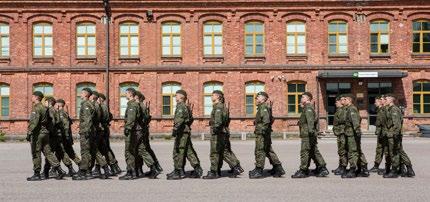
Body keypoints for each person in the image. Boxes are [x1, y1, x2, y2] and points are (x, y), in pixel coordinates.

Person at [203, 90, 243, 179]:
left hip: (218, 133)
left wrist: (214, 128)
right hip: (223, 132)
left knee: (215, 152)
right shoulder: (222, 106)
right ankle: (234, 167)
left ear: (218, 97)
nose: (211, 97)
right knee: (224, 151)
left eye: (213, 95)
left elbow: (218, 122)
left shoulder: (218, 107)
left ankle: (214, 172)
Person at [26, 91, 65, 181]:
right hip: (45, 133)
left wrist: (29, 132)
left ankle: (37, 174)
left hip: (38, 134)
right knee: (48, 152)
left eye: (32, 96)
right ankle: (59, 170)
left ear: (36, 97)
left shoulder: (37, 108)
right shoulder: (45, 108)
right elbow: (50, 120)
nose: (31, 98)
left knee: (36, 152)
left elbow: (34, 122)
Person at [73, 88, 109, 180]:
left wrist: (85, 131)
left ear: (86, 94)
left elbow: (88, 120)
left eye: (81, 93)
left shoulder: (86, 105)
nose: (80, 94)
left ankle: (83, 172)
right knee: (94, 151)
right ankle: (105, 168)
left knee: (85, 151)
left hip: (87, 131)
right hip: (91, 131)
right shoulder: (90, 104)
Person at [167, 90, 203, 180]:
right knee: (188, 151)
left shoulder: (181, 106)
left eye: (176, 96)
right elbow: (190, 119)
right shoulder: (185, 106)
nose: (175, 97)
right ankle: (197, 169)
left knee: (179, 151)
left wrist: (175, 129)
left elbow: (180, 119)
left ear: (181, 96)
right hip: (184, 131)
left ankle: (179, 171)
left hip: (181, 131)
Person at [291, 92, 329, 178]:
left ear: (308, 99)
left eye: (303, 97)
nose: (301, 99)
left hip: (308, 134)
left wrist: (312, 132)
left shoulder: (308, 108)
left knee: (305, 152)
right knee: (313, 152)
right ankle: (322, 168)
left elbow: (310, 122)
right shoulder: (307, 108)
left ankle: (303, 170)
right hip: (308, 133)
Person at [249, 91, 285, 179]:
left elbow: (266, 121)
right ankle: (278, 168)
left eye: (258, 97)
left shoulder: (264, 107)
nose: (256, 98)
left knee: (260, 151)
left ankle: (259, 170)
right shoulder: (263, 107)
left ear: (263, 98)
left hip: (262, 134)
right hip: (264, 133)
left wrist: (262, 131)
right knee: (268, 151)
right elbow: (266, 119)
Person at [383, 94, 415, 178]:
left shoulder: (394, 110)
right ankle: (409, 169)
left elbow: (396, 124)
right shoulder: (389, 109)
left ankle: (394, 171)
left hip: (394, 134)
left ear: (391, 100)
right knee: (399, 151)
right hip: (391, 134)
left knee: (394, 152)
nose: (384, 101)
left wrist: (395, 135)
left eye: (386, 99)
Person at [340, 94, 369, 178]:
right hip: (349, 133)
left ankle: (353, 170)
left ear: (349, 100)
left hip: (352, 133)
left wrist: (357, 131)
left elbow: (355, 121)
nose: (343, 101)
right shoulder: (348, 109)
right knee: (355, 151)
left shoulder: (352, 109)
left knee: (353, 151)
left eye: (345, 99)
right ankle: (362, 168)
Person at [119, 88, 141, 180]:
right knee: (132, 151)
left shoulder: (132, 105)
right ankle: (134, 172)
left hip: (132, 132)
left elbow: (131, 119)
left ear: (130, 94)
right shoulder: (133, 104)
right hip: (135, 131)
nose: (125, 95)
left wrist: (127, 128)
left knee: (129, 152)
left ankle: (130, 172)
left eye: (126, 93)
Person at [55, 99, 81, 177]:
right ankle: (54, 169)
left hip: (64, 138)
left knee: (63, 152)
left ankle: (71, 169)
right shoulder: (63, 113)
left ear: (59, 105)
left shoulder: (61, 113)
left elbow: (65, 126)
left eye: (56, 105)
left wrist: (65, 137)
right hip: (65, 137)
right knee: (69, 153)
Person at [98, 93, 122, 175]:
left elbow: (102, 118)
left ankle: (113, 166)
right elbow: (110, 117)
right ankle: (114, 167)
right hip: (105, 129)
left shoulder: (102, 106)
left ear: (100, 99)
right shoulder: (105, 107)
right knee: (104, 149)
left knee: (103, 149)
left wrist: (103, 123)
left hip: (102, 130)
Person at [369, 95, 389, 174]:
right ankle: (376, 166)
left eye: (376, 101)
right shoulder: (380, 110)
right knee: (379, 150)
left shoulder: (385, 110)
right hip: (381, 133)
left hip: (385, 133)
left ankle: (397, 167)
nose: (374, 103)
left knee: (389, 151)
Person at [332, 95, 347, 176]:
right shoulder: (339, 110)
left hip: (343, 133)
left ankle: (343, 167)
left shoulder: (343, 110)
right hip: (339, 133)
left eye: (336, 102)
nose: (335, 103)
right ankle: (340, 166)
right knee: (340, 151)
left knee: (343, 151)